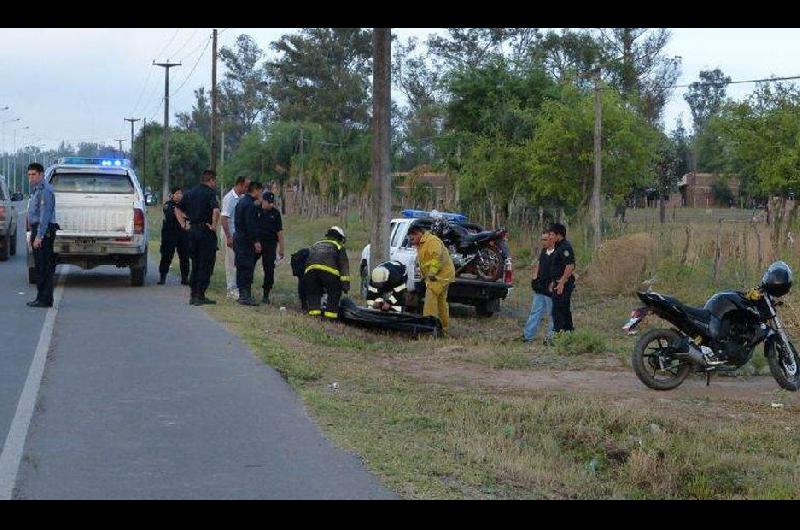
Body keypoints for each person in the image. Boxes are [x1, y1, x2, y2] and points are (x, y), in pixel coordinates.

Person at [175, 169, 221, 306]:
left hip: (192, 230)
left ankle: (193, 294)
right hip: (205, 231)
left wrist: (183, 224)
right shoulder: (210, 193)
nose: (215, 183)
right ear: (211, 180)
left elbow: (177, 209)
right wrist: (213, 225)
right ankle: (200, 294)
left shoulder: (190, 193)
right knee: (206, 263)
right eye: (215, 181)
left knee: (195, 263)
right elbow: (216, 210)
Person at [407, 223, 455, 332]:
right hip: (437, 276)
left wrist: (432, 273)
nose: (411, 240)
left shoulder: (432, 241)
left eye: (412, 237)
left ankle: (429, 326)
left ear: (418, 233)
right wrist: (424, 277)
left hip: (440, 276)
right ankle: (444, 327)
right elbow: (425, 263)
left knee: (430, 300)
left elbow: (436, 258)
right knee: (441, 301)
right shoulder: (421, 244)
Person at [26, 163, 58, 308]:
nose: (30, 177)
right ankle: (42, 297)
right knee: (40, 266)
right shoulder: (36, 189)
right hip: (38, 229)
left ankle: (45, 299)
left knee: (44, 266)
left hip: (43, 231)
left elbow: (45, 216)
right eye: (29, 175)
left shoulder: (45, 190)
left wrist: (39, 236)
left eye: (33, 174)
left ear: (41, 174)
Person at [304, 226, 350, 320]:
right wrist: (345, 285)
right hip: (329, 273)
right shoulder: (339, 246)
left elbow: (308, 259)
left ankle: (314, 315)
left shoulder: (317, 244)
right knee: (334, 292)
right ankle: (330, 317)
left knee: (313, 293)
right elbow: (344, 266)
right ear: (340, 238)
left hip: (310, 272)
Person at [233, 181, 263, 306]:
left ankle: (242, 294)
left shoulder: (241, 202)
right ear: (255, 190)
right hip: (246, 241)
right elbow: (250, 225)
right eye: (260, 191)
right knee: (247, 267)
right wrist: (255, 241)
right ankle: (245, 296)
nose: (260, 194)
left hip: (239, 239)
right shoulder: (249, 205)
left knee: (241, 267)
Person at [523, 231, 555, 343]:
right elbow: (539, 264)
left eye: (545, 239)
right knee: (535, 312)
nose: (543, 242)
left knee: (552, 314)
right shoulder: (543, 251)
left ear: (552, 239)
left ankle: (551, 338)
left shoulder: (558, 252)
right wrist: (534, 278)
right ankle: (527, 336)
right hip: (540, 287)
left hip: (551, 289)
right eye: (542, 239)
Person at [221, 176, 250, 300]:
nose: (247, 189)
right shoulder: (230, 198)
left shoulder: (241, 198)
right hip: (230, 234)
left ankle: (238, 287)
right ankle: (231, 289)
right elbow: (224, 218)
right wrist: (228, 237)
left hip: (238, 234)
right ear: (239, 184)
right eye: (246, 186)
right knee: (231, 262)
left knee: (238, 262)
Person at [256, 191, 285, 304]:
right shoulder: (256, 209)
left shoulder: (276, 213)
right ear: (263, 201)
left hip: (270, 244)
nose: (271, 205)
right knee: (248, 264)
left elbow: (279, 232)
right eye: (269, 202)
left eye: (272, 202)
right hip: (257, 242)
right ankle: (245, 290)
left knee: (269, 269)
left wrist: (281, 248)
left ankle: (266, 294)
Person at [158, 186, 190, 285]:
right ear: (172, 195)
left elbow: (190, 216)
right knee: (166, 256)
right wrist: (183, 215)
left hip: (183, 234)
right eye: (177, 193)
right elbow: (171, 216)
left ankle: (185, 278)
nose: (179, 195)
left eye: (180, 193)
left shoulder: (186, 205)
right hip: (169, 234)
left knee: (184, 256)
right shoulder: (168, 205)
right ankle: (162, 277)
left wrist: (183, 215)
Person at [547, 222, 576, 333]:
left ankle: (559, 334)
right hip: (557, 282)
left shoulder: (565, 247)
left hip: (563, 283)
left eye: (552, 234)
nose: (550, 237)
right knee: (561, 308)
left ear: (559, 235)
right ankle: (567, 332)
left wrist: (562, 283)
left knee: (559, 309)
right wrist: (553, 281)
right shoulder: (558, 246)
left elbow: (570, 266)